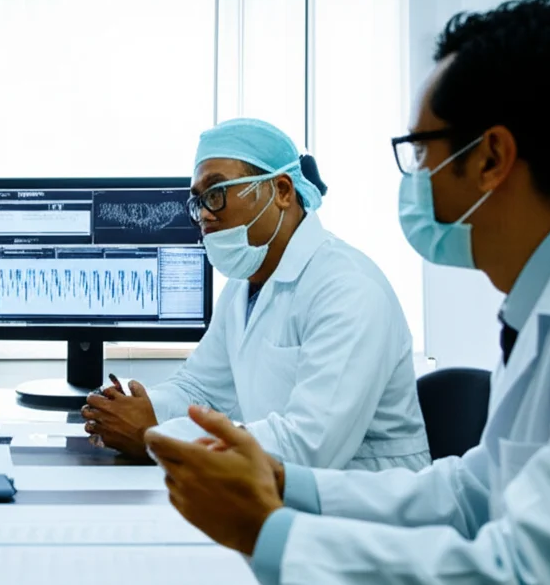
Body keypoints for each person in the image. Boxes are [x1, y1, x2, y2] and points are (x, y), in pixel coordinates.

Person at [147, 0, 550, 585]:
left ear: (490, 158)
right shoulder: (543, 311)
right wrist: (278, 481)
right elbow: (472, 494)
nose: (417, 179)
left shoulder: (349, 285)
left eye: (423, 151)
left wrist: (269, 534)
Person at [82, 118, 430, 471]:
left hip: (371, 501)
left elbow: (310, 445)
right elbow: (200, 388)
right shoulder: (244, 284)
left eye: (216, 193)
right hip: (282, 487)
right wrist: (139, 409)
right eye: (198, 200)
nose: (203, 213)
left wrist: (154, 436)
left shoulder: (347, 288)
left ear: (281, 191)